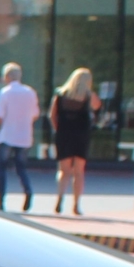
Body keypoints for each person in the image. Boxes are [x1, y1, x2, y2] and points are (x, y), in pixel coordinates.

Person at [0, 61, 38, 211]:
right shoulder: (30, 92)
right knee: (21, 167)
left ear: (7, 77)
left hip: (7, 134)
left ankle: (1, 200)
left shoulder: (5, 92)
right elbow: (35, 114)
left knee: (2, 168)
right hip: (24, 135)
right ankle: (28, 191)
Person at [51, 67, 96, 217]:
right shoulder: (88, 97)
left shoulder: (60, 94)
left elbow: (53, 116)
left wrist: (59, 129)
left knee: (63, 171)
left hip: (64, 134)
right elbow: (97, 106)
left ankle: (59, 199)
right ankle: (76, 205)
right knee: (79, 172)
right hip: (81, 135)